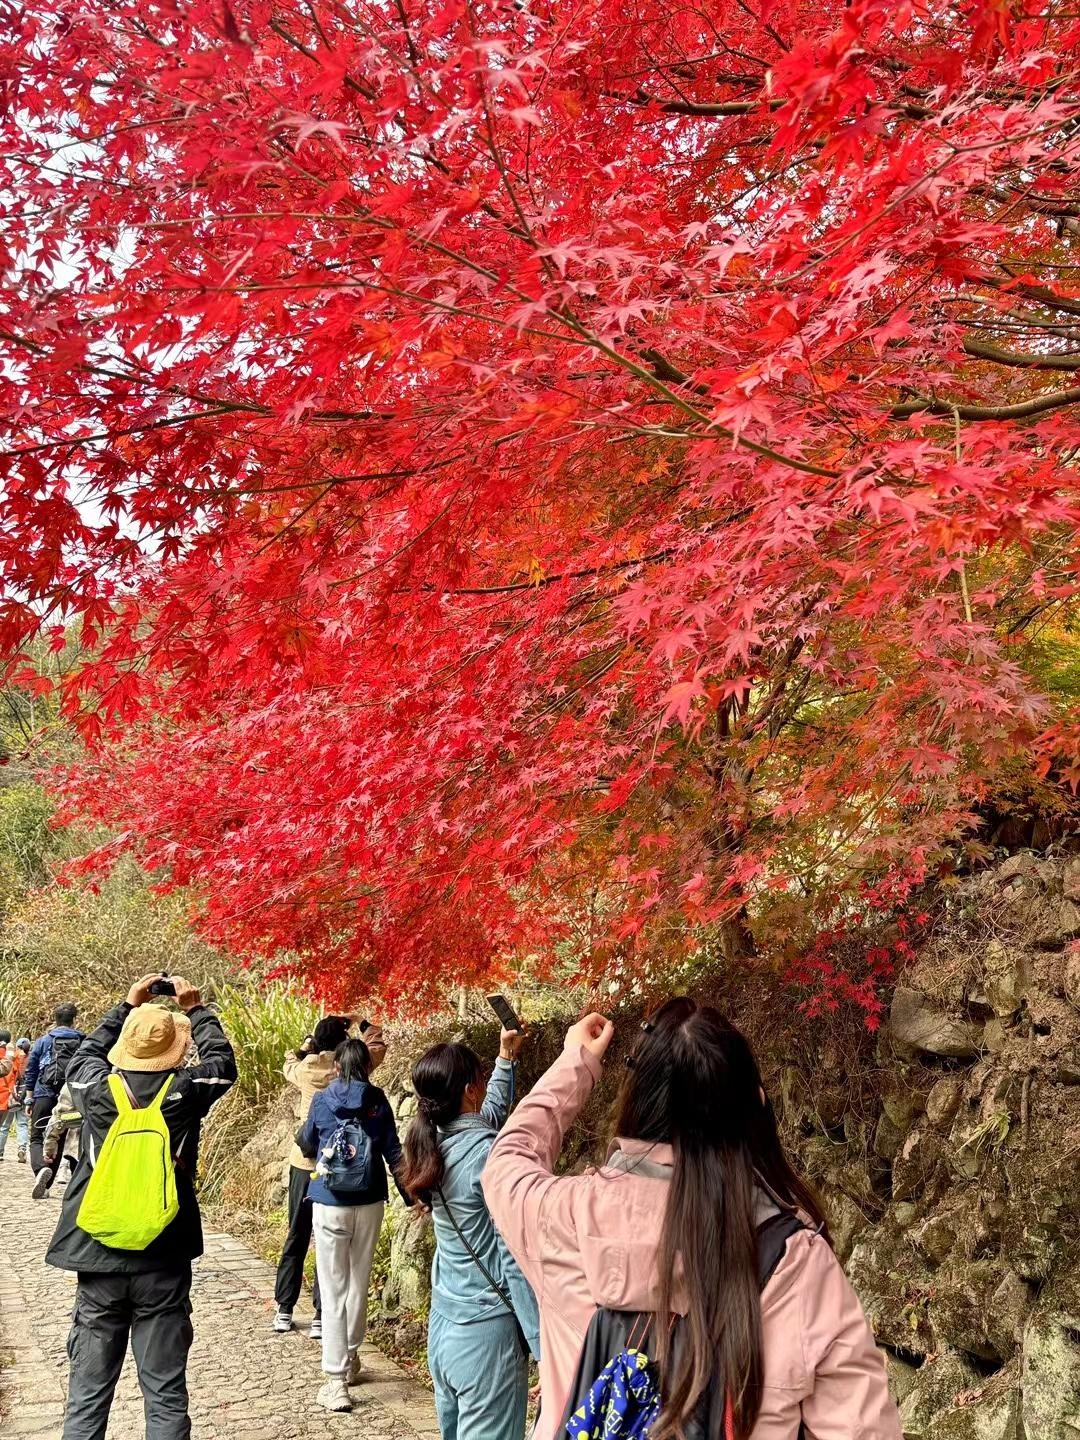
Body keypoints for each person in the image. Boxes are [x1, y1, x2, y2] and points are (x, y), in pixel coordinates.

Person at [483, 999, 903, 1440]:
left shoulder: (560, 1217)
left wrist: (577, 1063)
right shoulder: (794, 1263)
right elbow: (864, 1429)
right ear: (755, 1107)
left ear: (638, 1103)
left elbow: (506, 1162)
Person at [46, 973, 237, 1440]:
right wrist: (196, 1010)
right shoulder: (186, 1092)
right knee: (165, 1392)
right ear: (176, 1049)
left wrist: (124, 1007)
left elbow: (84, 1057)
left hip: (97, 1255)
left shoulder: (95, 1089)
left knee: (87, 1394)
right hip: (163, 1256)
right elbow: (223, 1065)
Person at [401, 1029, 540, 1440]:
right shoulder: (487, 1154)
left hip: (444, 1330)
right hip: (485, 1340)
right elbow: (512, 1259)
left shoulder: (431, 1140)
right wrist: (542, 1349)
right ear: (469, 1090)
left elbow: (486, 1117)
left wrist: (504, 1060)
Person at [297, 1036, 409, 1414]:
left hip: (330, 1203)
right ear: (368, 1066)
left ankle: (335, 1382)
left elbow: (307, 1143)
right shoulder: (377, 1101)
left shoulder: (322, 1099)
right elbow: (394, 1152)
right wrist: (414, 1197)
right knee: (358, 1283)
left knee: (332, 1289)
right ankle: (352, 1356)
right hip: (370, 1201)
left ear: (337, 1066)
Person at [274, 1013, 388, 1338]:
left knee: (297, 1235)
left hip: (305, 1163)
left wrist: (307, 1045)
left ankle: (284, 1309)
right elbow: (377, 1044)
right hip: (341, 1168)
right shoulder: (357, 1070)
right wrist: (362, 1022)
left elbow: (287, 1062)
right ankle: (321, 1317)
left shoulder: (306, 1068)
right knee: (331, 1249)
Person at [24, 1002, 84, 1177]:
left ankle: (42, 1170)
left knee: (36, 1137)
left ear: (55, 1020)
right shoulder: (83, 1040)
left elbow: (31, 1070)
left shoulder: (44, 1041)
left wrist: (29, 1099)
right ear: (74, 1020)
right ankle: (76, 1179)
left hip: (44, 1094)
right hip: (72, 1097)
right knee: (63, 1135)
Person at [0, 1030, 29, 1162]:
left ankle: (0, 1152)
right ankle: (22, 1148)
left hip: (8, 1096)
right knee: (22, 1124)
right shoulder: (24, 1058)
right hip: (17, 1096)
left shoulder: (9, 1056)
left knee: (4, 1127)